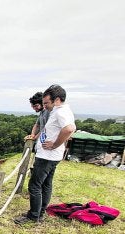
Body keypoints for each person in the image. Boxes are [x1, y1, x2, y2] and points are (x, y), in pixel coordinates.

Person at [14, 84, 76, 224]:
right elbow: (47, 129)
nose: (45, 106)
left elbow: (70, 129)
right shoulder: (58, 110)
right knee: (46, 184)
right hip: (51, 156)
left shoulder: (60, 112)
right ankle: (40, 213)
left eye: (47, 103)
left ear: (57, 100)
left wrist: (55, 144)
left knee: (34, 185)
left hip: (47, 157)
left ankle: (33, 216)